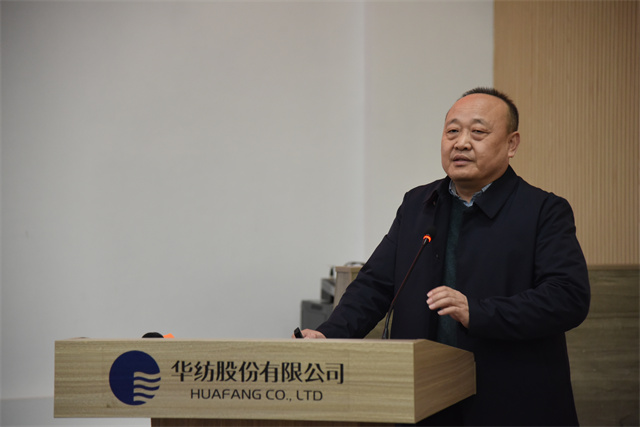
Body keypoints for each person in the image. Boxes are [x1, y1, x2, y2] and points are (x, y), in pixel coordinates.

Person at [297, 88, 590, 426]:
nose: (461, 143)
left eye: (477, 132)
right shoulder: (418, 205)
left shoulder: (543, 211)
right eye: (452, 131)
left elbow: (568, 297)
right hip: (425, 398)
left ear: (512, 144)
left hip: (510, 399)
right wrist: (329, 335)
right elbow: (375, 284)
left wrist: (477, 312)